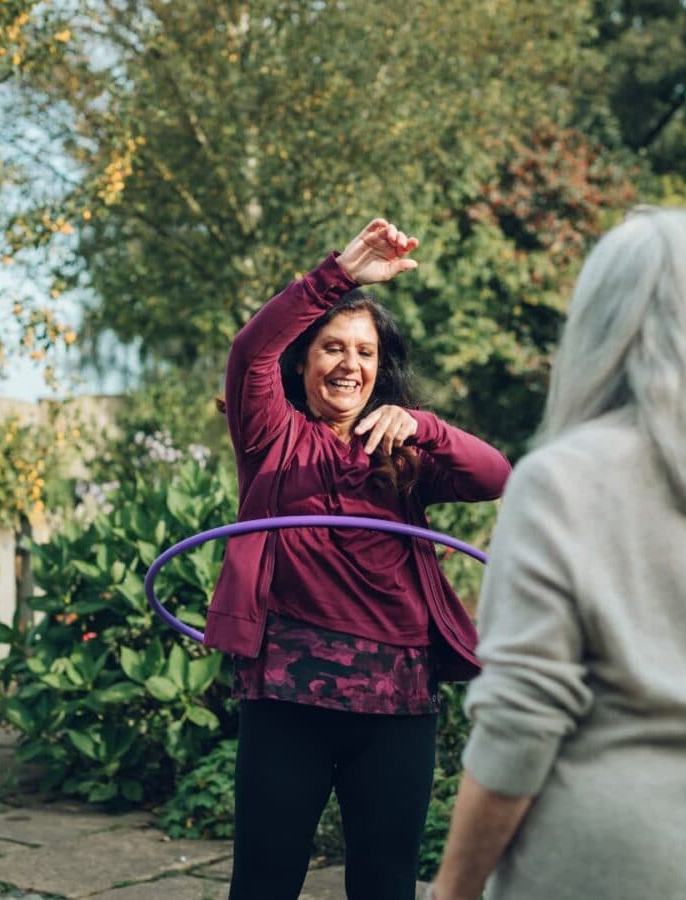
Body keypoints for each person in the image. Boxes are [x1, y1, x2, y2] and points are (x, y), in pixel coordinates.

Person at [427, 205, 686, 900]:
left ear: (598, 324)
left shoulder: (558, 481)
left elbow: (522, 716)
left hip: (599, 863)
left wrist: (454, 888)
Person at [203, 218, 511, 900]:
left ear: (381, 368)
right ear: (304, 362)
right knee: (262, 884)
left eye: (365, 352)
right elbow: (251, 351)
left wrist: (425, 427)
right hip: (288, 696)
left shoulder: (406, 456)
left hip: (398, 702)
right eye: (332, 348)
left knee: (385, 886)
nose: (350, 365)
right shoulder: (272, 436)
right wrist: (338, 274)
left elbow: (497, 478)